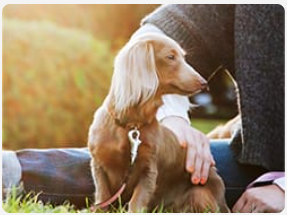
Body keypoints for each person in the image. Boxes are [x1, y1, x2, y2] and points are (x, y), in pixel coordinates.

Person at [2, 4, 284, 213]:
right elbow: (157, 32)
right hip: (260, 157)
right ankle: (10, 170)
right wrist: (173, 119)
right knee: (117, 162)